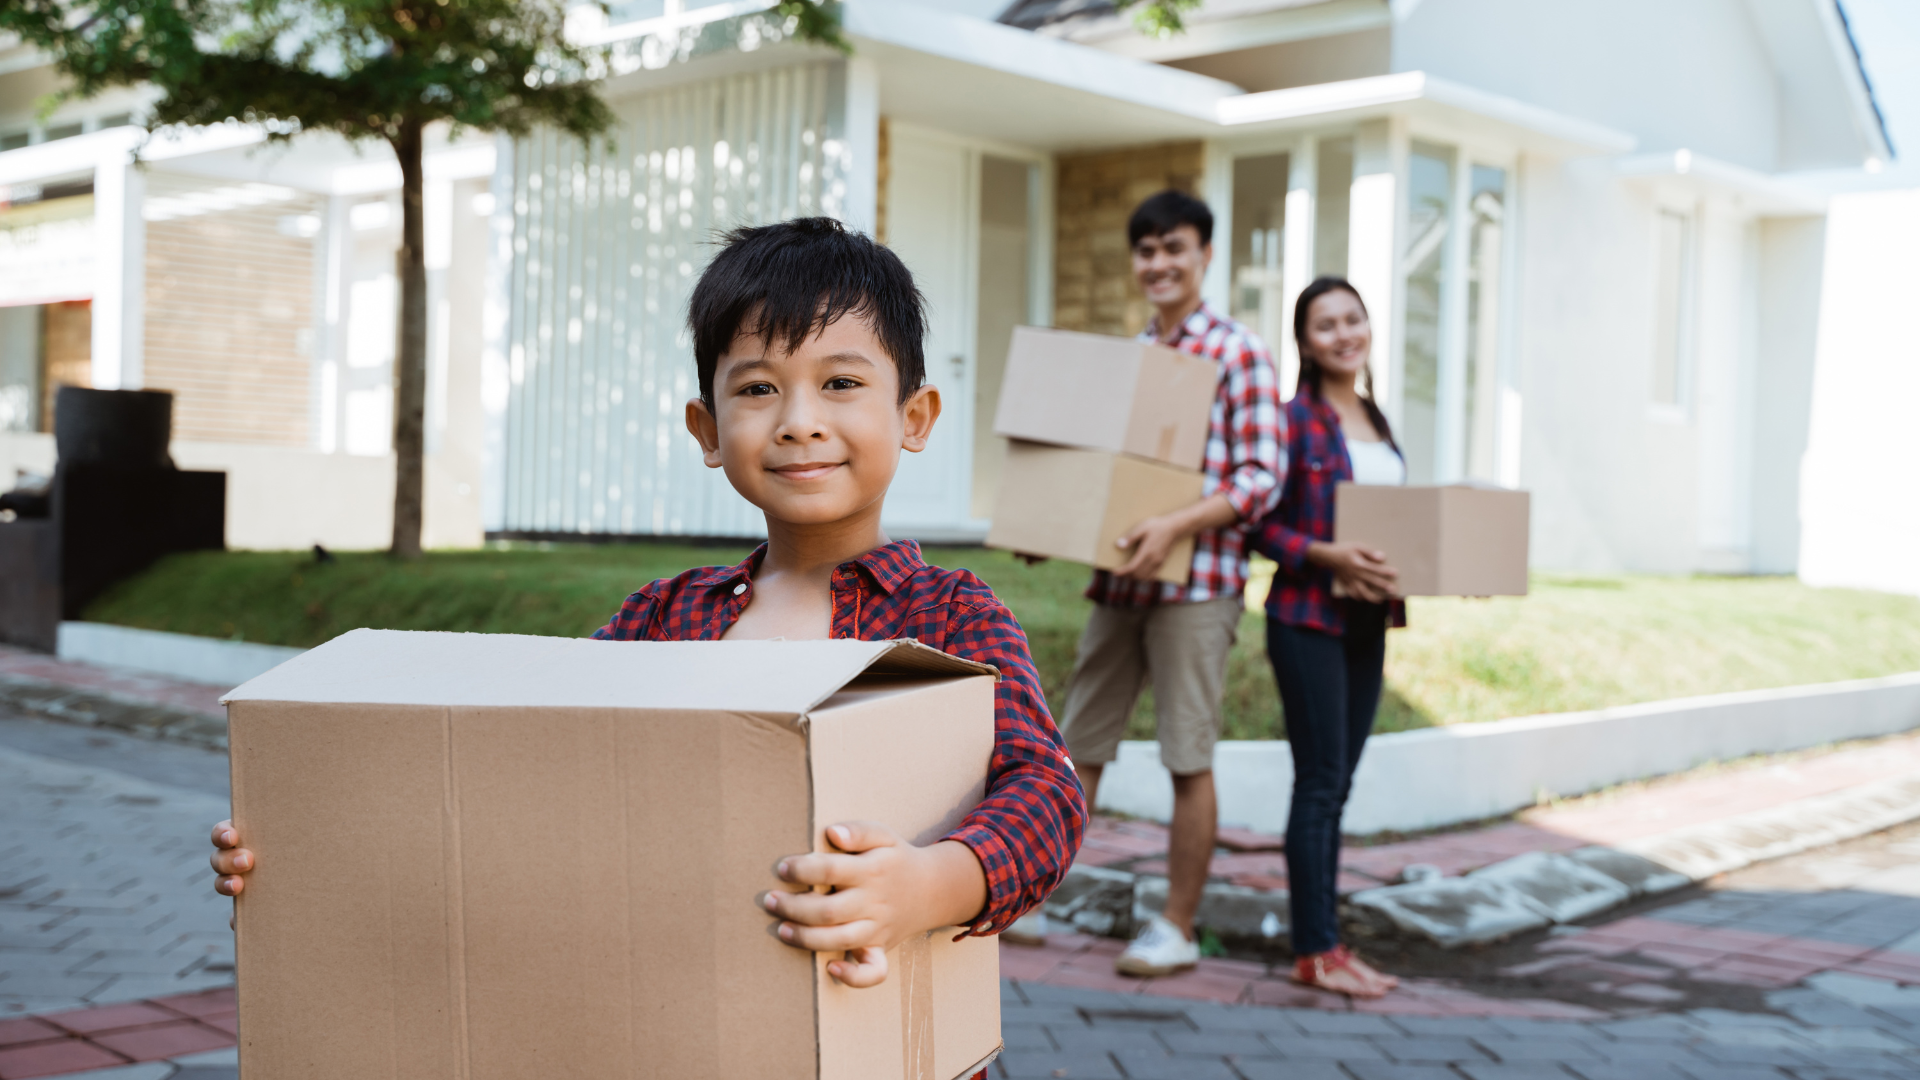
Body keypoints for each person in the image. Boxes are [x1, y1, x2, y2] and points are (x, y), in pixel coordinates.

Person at [210, 219, 1089, 1050]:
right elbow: (507, 759)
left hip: (877, 1037)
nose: (799, 419)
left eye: (842, 382)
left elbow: (1046, 792)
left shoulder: (950, 616)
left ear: (916, 417)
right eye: (757, 388)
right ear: (708, 430)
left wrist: (929, 886)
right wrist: (311, 842)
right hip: (672, 1028)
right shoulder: (664, 620)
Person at [1022, 190, 1283, 977]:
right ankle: (1030, 900)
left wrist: (1174, 525)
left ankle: (1174, 926)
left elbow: (1262, 476)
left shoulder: (1237, 353)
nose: (1159, 264)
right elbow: (1104, 475)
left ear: (1206, 254)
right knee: (1076, 746)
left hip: (1197, 586)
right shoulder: (1130, 359)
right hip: (1121, 586)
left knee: (1186, 755)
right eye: (1146, 251)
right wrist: (1049, 526)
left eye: (1174, 248)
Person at [1250, 276, 1405, 998]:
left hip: (1368, 622)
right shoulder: (1292, 420)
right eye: (1325, 324)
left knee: (1337, 786)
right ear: (1305, 342)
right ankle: (1315, 949)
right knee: (1318, 784)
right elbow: (1261, 525)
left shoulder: (1375, 416)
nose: (1344, 333)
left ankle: (1328, 944)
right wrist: (1327, 554)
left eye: (1353, 319)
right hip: (1305, 619)